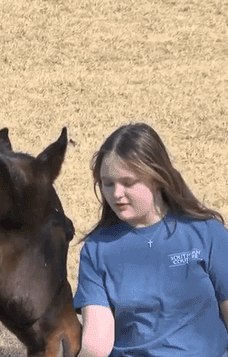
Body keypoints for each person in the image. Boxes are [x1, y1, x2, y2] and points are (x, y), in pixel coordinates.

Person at [73, 122, 228, 357]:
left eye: (128, 182)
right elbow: (96, 342)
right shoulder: (97, 249)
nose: (116, 194)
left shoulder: (208, 234)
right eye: (108, 183)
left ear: (157, 177)